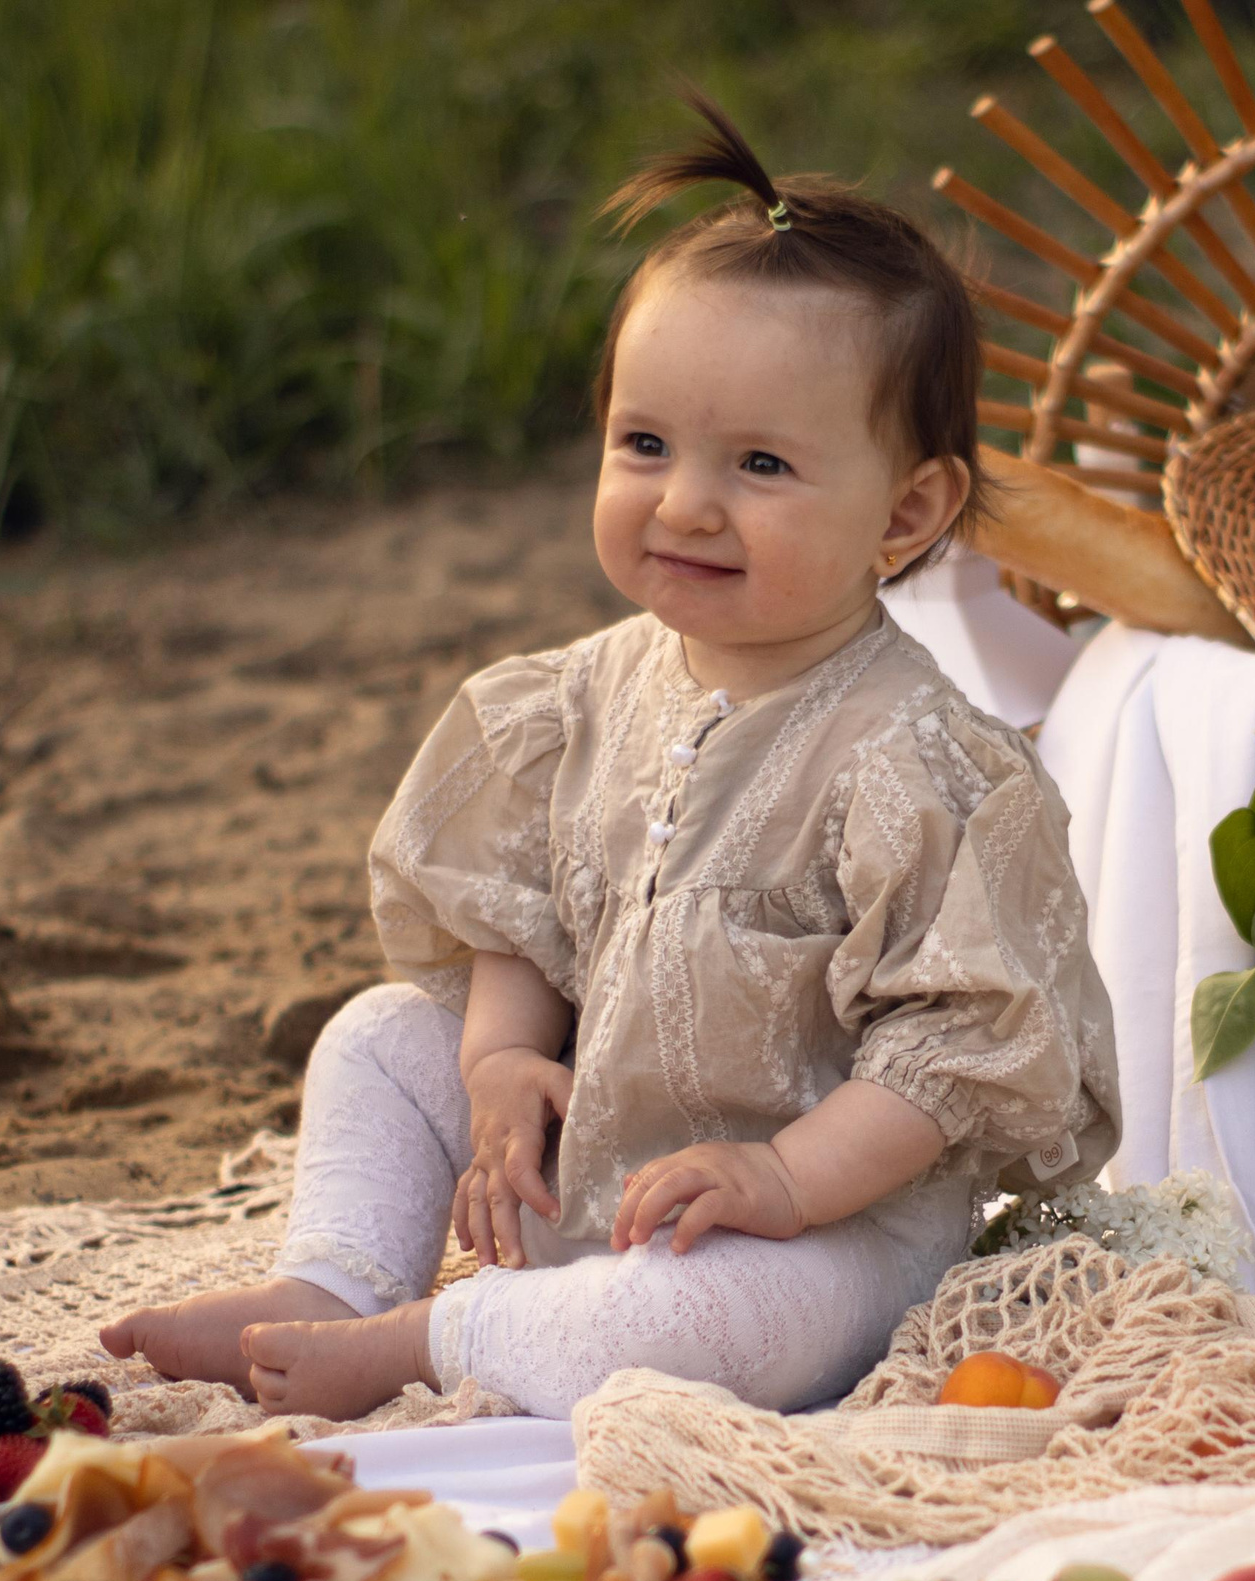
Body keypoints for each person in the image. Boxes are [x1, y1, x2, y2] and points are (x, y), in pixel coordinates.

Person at [102, 95, 1119, 1421]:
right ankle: (339, 1280)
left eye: (760, 463)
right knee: (376, 1040)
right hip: (610, 1149)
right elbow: (519, 910)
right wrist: (505, 1065)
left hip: (824, 1224)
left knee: (712, 1318)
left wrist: (784, 1181)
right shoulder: (575, 699)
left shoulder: (915, 761)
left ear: (907, 511)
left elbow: (956, 1048)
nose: (684, 501)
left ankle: (438, 1340)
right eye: (645, 445)